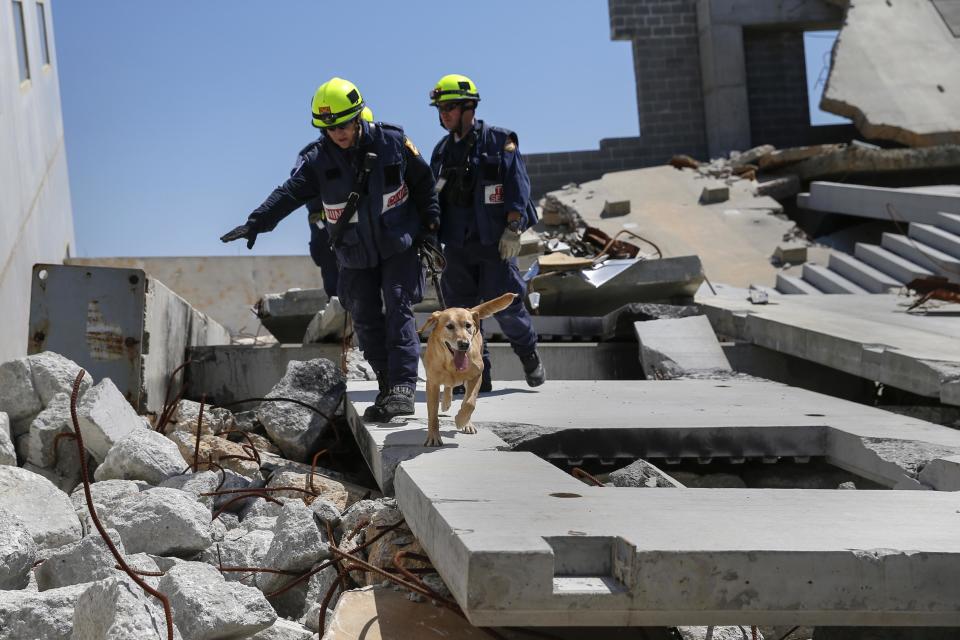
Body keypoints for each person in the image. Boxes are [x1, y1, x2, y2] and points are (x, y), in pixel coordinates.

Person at [221, 78, 439, 420]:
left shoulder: (392, 142)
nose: (336, 132)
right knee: (365, 317)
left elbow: (424, 183)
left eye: (341, 124)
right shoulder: (317, 159)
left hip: (397, 244)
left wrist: (430, 226)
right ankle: (386, 383)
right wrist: (257, 222)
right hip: (354, 253)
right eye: (327, 127)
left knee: (398, 306)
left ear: (357, 116)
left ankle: (402, 387)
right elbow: (289, 194)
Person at [428, 74, 545, 392]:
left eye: (450, 107)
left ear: (469, 107)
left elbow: (518, 185)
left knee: (507, 308)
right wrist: (430, 240)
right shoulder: (441, 153)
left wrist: (512, 228)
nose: (444, 115)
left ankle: (529, 355)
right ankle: (481, 375)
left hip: (494, 243)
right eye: (440, 109)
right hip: (457, 247)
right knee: (464, 319)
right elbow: (432, 200)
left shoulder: (499, 140)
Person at [307, 106, 375, 298]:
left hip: (370, 237)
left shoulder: (378, 153)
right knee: (338, 292)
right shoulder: (318, 159)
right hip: (331, 234)